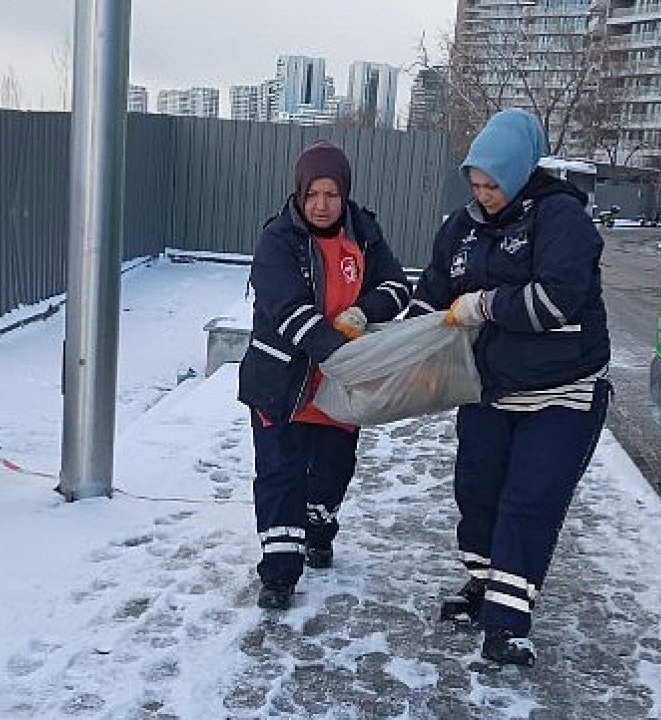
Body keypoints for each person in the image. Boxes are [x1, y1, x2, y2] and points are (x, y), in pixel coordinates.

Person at [407, 109, 611, 666]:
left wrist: (484, 304)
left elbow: (554, 301)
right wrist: (411, 345)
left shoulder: (561, 219)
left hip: (560, 392)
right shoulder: (461, 227)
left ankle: (508, 623)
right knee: (476, 495)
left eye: (492, 183)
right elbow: (432, 295)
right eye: (475, 183)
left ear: (520, 172)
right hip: (489, 388)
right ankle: (482, 585)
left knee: (528, 502)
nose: (483, 193)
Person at [237, 140, 412, 610]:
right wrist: (335, 350)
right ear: (299, 192)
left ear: (344, 194)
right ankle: (278, 572)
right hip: (281, 385)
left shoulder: (364, 231)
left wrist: (363, 309)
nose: (321, 204)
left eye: (331, 194)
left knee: (331, 475)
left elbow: (397, 288)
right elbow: (287, 310)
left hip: (339, 391)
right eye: (312, 193)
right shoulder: (278, 239)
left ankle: (319, 529)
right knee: (279, 474)